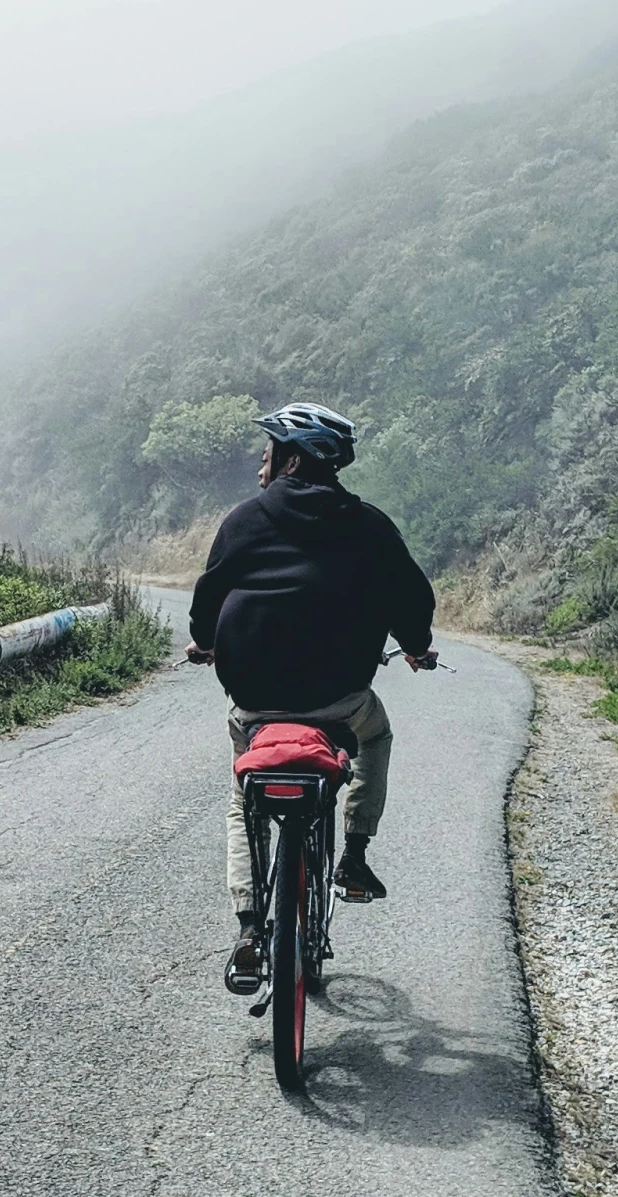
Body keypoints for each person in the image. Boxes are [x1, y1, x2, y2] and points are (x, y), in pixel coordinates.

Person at [183, 402, 437, 993]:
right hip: (339, 701)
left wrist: (204, 643)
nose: (260, 466)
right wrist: (417, 647)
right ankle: (353, 851)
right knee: (376, 734)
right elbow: (411, 601)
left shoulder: (243, 521)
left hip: (255, 704)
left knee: (240, 795)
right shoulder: (371, 526)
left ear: (293, 459)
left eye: (268, 451)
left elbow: (207, 600)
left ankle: (249, 929)